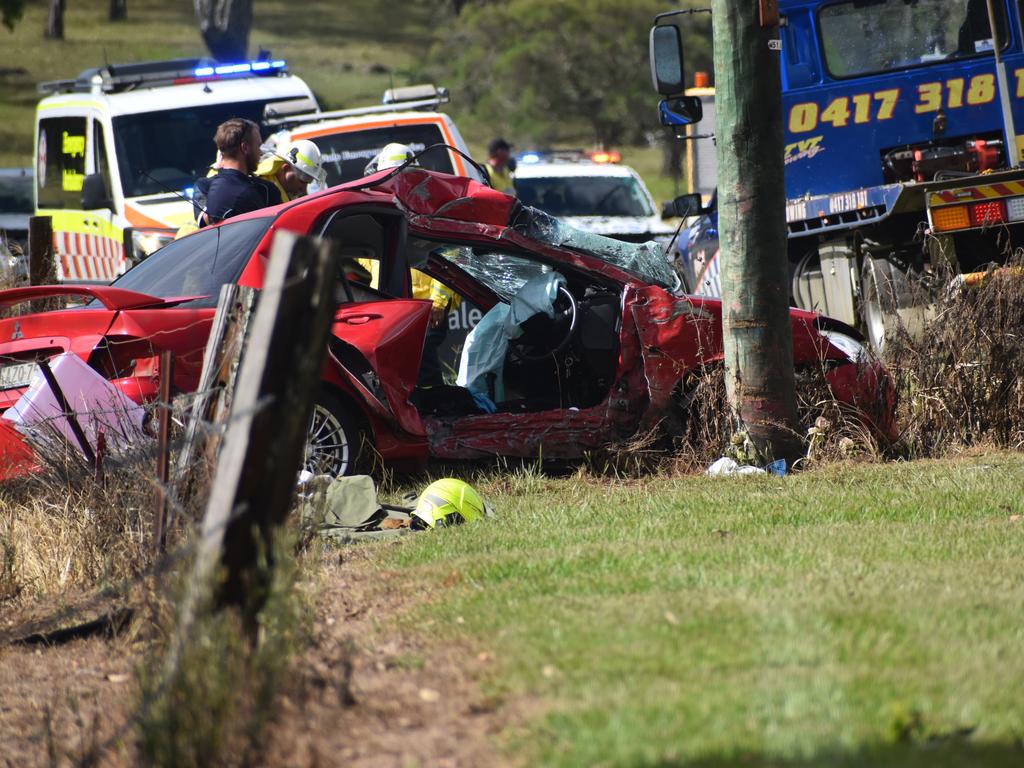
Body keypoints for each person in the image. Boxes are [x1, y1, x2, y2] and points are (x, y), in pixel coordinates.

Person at [359, 143, 460, 386]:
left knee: (422, 364)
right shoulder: (378, 205)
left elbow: (449, 253)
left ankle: (435, 411)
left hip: (425, 304)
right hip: (387, 301)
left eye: (399, 175)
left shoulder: (429, 207)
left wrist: (438, 300)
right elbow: (367, 255)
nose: (394, 182)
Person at [193, 118, 281, 226]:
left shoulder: (203, 187)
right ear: (245, 148)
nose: (261, 152)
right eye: (258, 146)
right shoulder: (265, 190)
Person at [255, 138, 327, 202]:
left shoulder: (279, 191)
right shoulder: (264, 191)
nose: (304, 190)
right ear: (286, 169)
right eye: (302, 181)